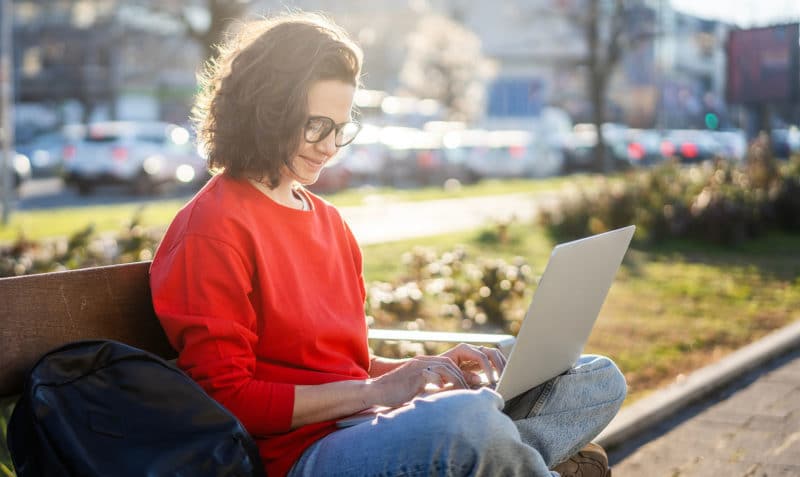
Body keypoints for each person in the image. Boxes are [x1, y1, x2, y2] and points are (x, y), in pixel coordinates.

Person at [149, 11, 627, 477]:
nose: (330, 146)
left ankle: (496, 457)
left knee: (594, 378)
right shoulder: (211, 228)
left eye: (341, 129)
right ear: (266, 110)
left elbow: (349, 367)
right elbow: (228, 399)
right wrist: (379, 392)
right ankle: (501, 455)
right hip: (299, 455)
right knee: (469, 423)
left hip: (365, 424)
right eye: (317, 125)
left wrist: (425, 370)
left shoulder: (329, 222)